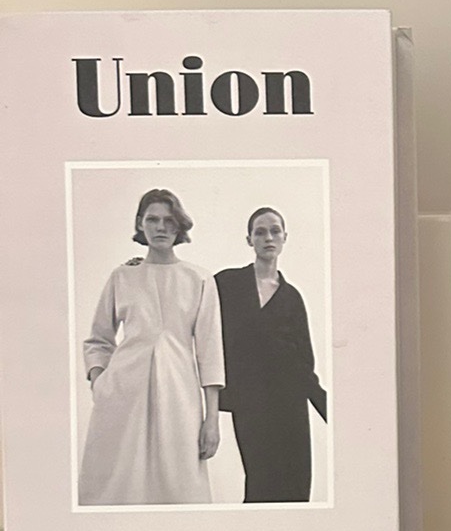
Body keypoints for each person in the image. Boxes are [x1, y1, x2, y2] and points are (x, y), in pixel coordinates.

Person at [78, 188, 224, 506]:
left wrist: (212, 418)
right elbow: (98, 339)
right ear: (140, 224)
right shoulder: (122, 276)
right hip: (122, 396)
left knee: (181, 489)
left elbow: (211, 352)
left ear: (179, 226)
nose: (161, 227)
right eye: (153, 219)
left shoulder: (199, 279)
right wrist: (99, 381)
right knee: (118, 488)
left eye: (169, 221)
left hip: (179, 396)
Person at [213, 206, 327, 503]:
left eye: (275, 231)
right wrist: (144, 266)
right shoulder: (227, 283)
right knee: (259, 484)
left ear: (285, 237)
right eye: (260, 232)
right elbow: (189, 294)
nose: (268, 237)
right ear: (249, 239)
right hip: (249, 403)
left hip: (290, 405)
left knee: (295, 487)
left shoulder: (292, 297)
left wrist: (329, 409)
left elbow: (304, 364)